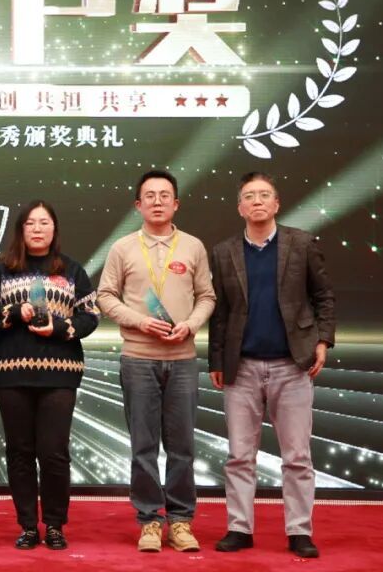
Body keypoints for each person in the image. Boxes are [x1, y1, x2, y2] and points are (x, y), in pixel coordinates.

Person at [208, 172, 335, 559]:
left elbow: (324, 297)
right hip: (242, 367)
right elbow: (220, 312)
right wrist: (217, 359)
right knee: (239, 456)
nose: (257, 201)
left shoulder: (302, 243)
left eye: (265, 195)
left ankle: (299, 531)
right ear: (240, 208)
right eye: (250, 196)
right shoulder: (224, 252)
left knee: (297, 457)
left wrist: (323, 341)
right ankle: (239, 528)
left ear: (277, 204)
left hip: (292, 365)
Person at [97, 170, 215, 553]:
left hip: (182, 360)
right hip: (138, 359)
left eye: (165, 195)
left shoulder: (193, 246)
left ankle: (180, 521)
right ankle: (149, 520)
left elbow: (207, 296)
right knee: (143, 446)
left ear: (176, 204)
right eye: (150, 195)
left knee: (182, 447)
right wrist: (139, 321)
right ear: (138, 205)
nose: (158, 201)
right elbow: (105, 296)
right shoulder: (122, 248)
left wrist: (191, 325)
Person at [0, 200, 99, 551]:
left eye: (44, 222)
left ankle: (55, 524)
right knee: (19, 452)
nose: (37, 228)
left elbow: (90, 315)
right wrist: (15, 312)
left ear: (54, 229)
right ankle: (28, 525)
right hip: (11, 374)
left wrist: (60, 328)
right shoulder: (1, 270)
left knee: (54, 452)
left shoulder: (71, 269)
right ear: (21, 229)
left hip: (59, 375)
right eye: (30, 223)